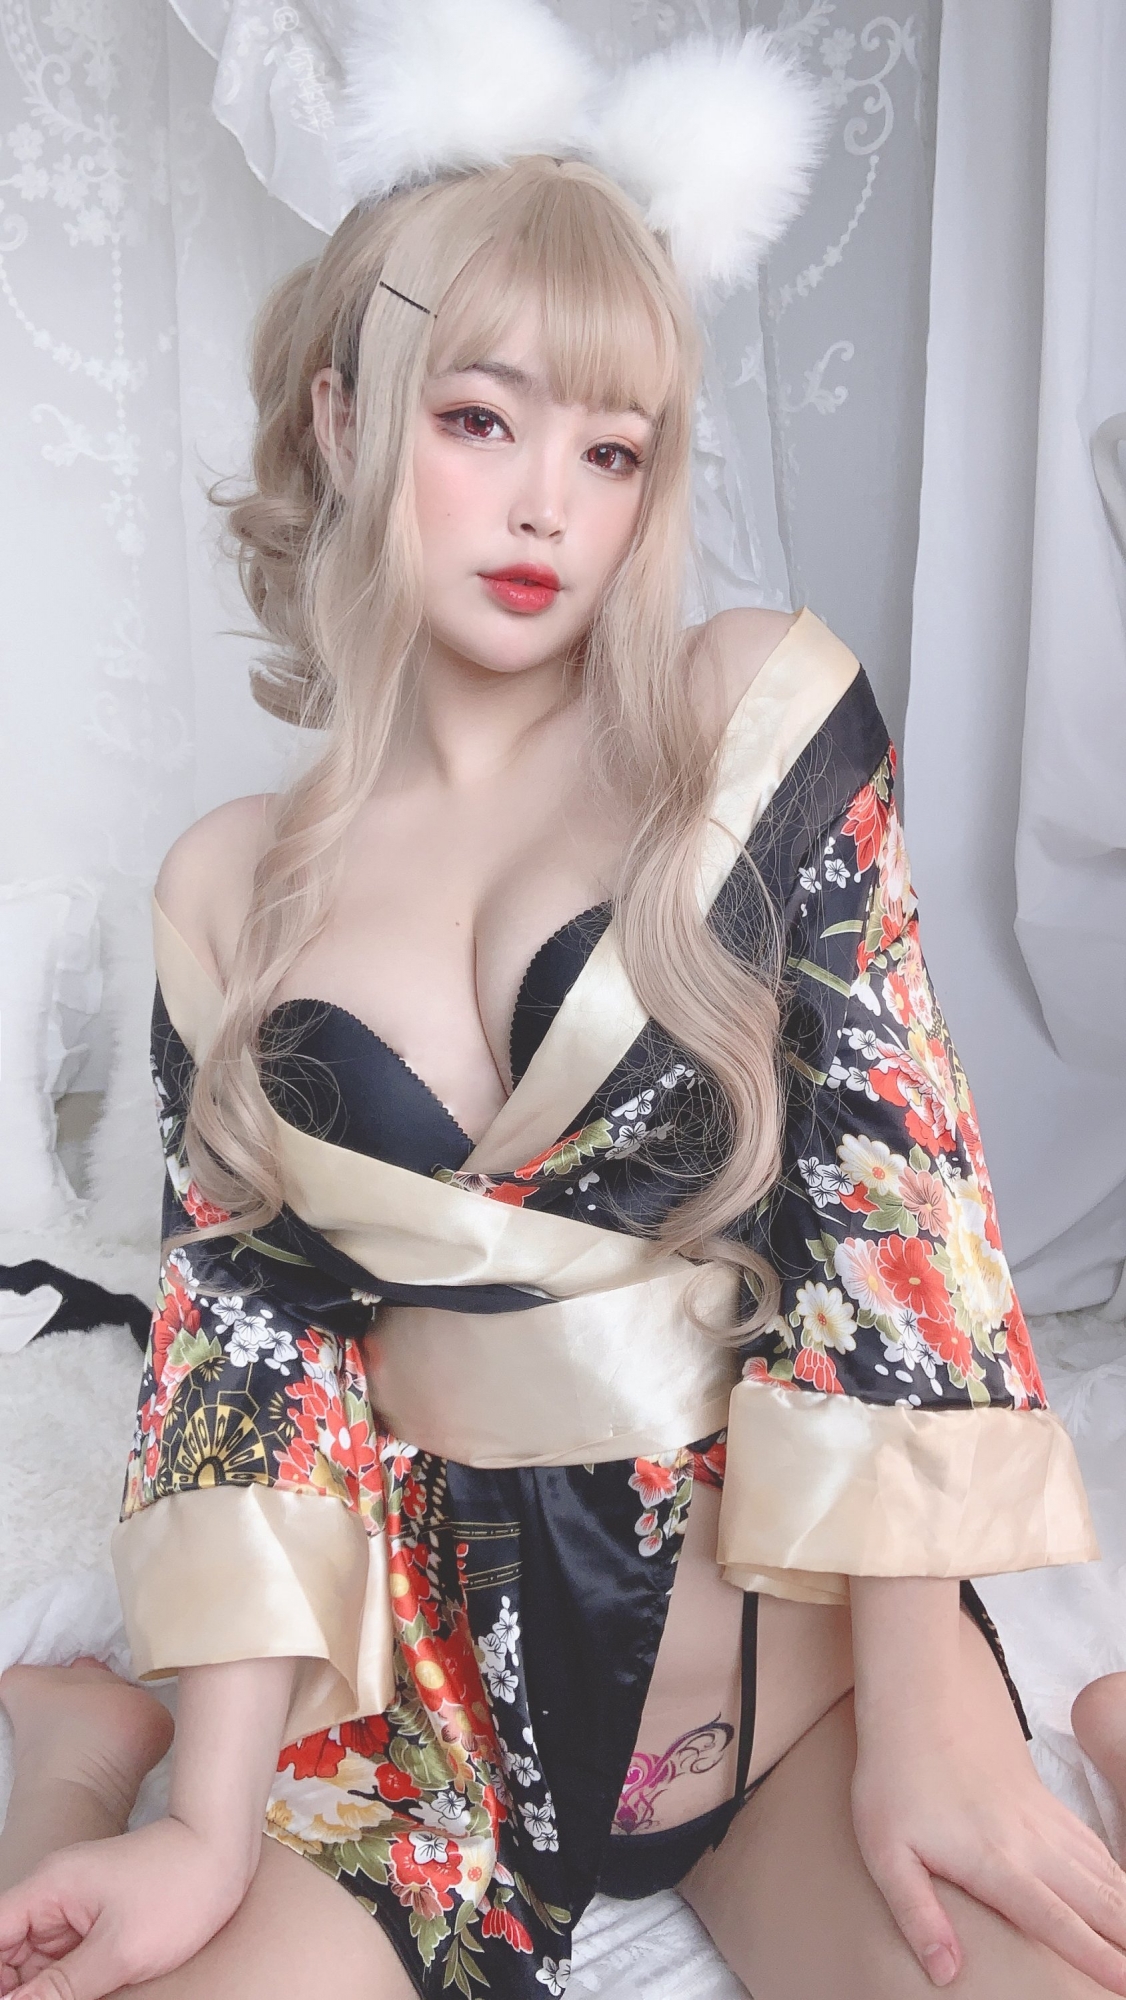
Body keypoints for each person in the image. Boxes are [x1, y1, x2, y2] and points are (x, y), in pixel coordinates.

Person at [2, 110, 1126, 2000]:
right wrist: (206, 1822)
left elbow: (891, 1207)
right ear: (343, 419)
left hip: (788, 1695)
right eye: (480, 421)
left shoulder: (740, 718)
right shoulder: (225, 884)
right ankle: (79, 1756)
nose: (548, 508)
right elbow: (247, 1364)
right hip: (411, 1732)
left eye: (611, 450)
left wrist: (934, 1723)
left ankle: (1077, 1716)